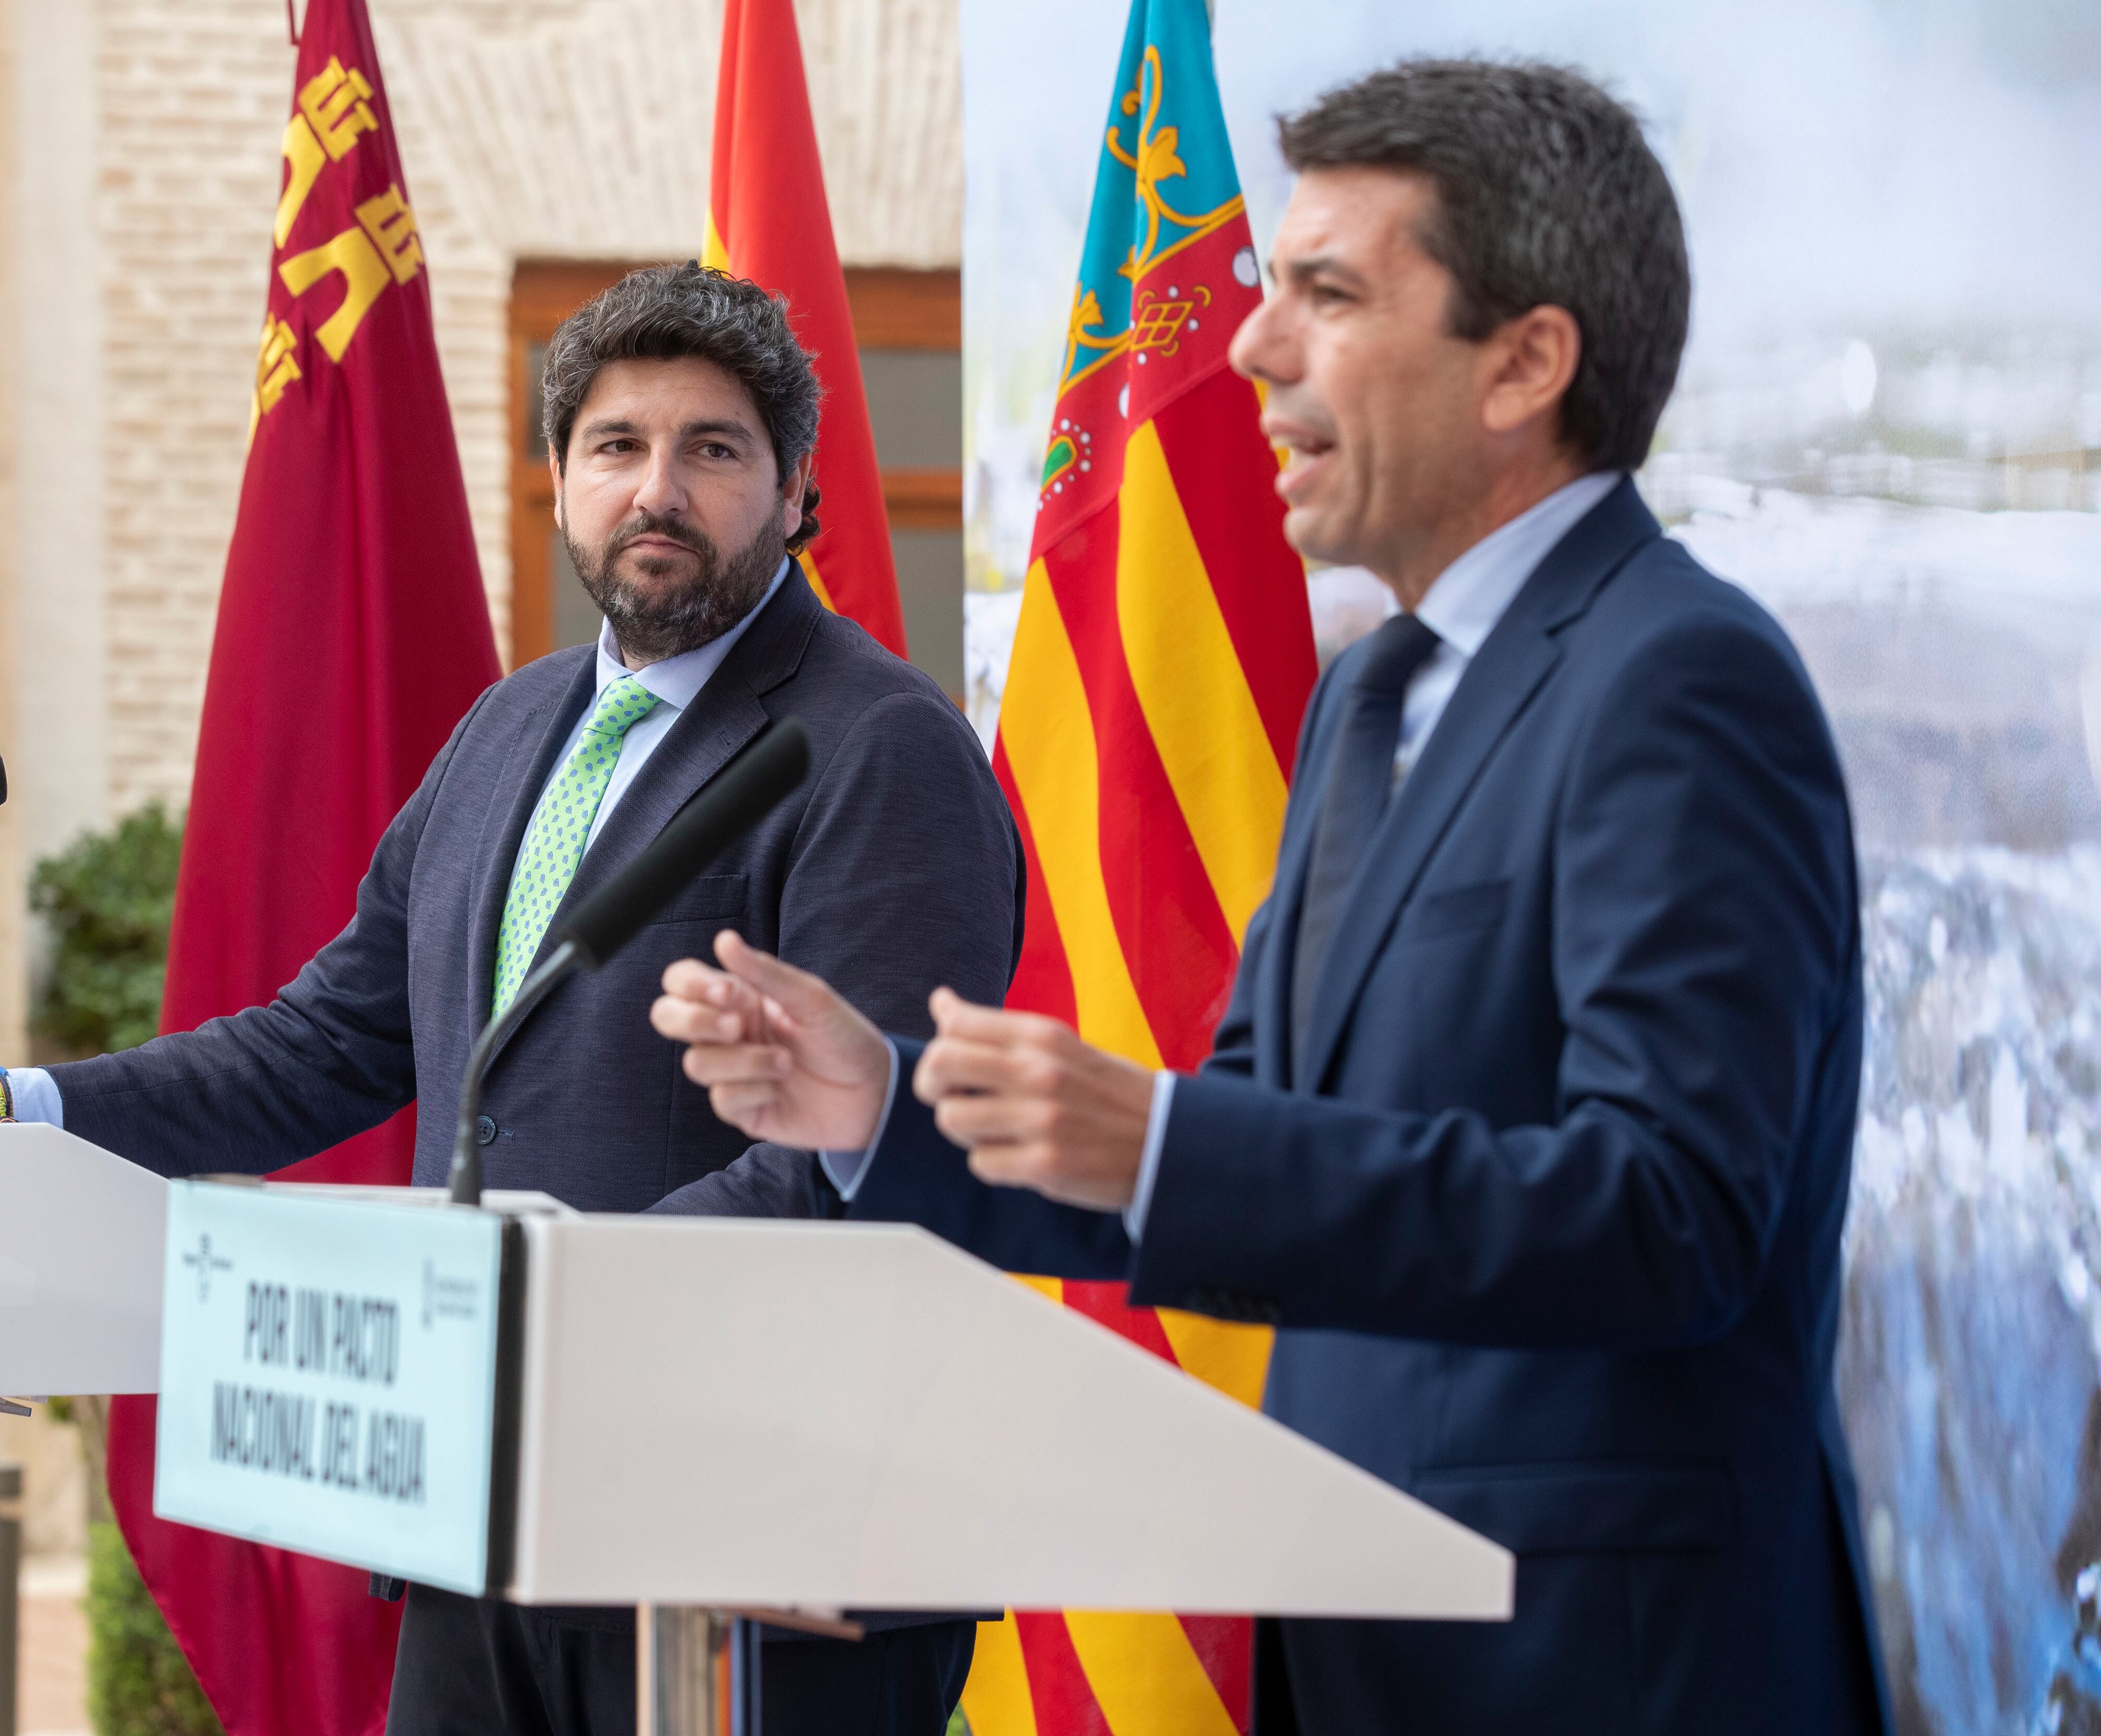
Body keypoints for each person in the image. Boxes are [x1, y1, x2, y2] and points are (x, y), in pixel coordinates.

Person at [653, 60, 1891, 1736]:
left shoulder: (1681, 681)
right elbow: (1239, 1145)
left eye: (1328, 293)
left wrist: (1166, 1144)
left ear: (1527, 361)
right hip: (1366, 1650)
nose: (1250, 343)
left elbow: (1668, 1211)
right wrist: (881, 1105)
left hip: (1603, 1669)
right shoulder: (1372, 702)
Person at [0, 264, 1015, 1736]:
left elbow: (866, 1143)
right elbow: (328, 1040)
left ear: (798, 489)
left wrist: (539, 1317)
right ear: (560, 481)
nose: (657, 490)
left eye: (714, 449)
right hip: (489, 1513)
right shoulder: (512, 727)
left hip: (759, 1539)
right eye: (616, 447)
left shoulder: (880, 748)